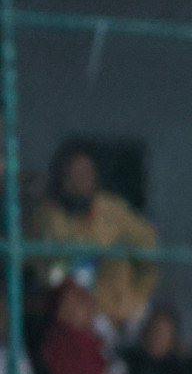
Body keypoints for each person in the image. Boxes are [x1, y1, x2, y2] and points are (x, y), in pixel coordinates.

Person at [31, 142, 159, 337]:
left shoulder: (112, 210)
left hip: (114, 315)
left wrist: (135, 300)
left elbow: (149, 247)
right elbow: (41, 268)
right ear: (61, 178)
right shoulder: (47, 217)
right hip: (66, 320)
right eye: (72, 174)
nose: (79, 180)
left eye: (86, 172)